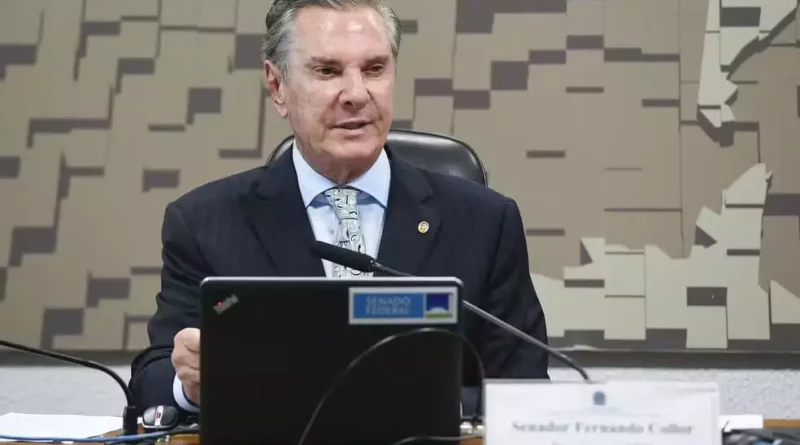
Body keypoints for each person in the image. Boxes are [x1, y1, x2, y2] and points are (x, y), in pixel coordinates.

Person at [129, 0, 549, 418]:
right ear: (277, 87)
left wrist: (430, 401)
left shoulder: (485, 222)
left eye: (374, 69)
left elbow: (526, 389)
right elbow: (152, 379)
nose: (357, 94)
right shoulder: (206, 223)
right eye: (327, 71)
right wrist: (191, 386)